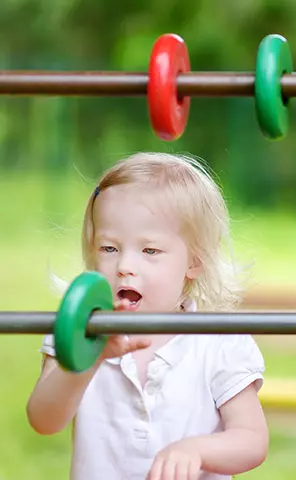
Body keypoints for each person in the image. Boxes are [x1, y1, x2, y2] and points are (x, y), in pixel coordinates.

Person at [26, 152, 269, 480]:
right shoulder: (75, 329)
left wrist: (195, 450)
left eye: (149, 250)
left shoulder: (219, 339)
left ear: (194, 261)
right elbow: (43, 419)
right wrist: (90, 358)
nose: (125, 265)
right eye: (109, 248)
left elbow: (252, 440)